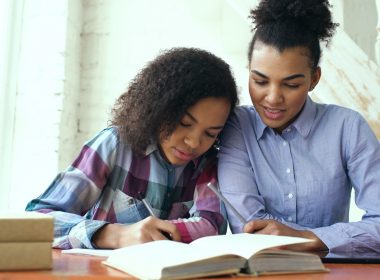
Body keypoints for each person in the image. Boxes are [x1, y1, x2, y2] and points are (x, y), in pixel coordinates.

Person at [26, 47, 238, 249]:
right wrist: (114, 234)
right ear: (159, 107)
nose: (193, 143)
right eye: (184, 123)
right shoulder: (114, 145)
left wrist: (158, 233)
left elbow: (212, 225)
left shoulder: (208, 163)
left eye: (210, 133)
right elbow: (36, 219)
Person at [218, 0, 380, 253]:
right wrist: (323, 239)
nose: (272, 98)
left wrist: (304, 237)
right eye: (260, 81)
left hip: (333, 272)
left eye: (291, 85)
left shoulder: (348, 127)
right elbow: (248, 226)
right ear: (249, 70)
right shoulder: (236, 125)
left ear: (314, 79)